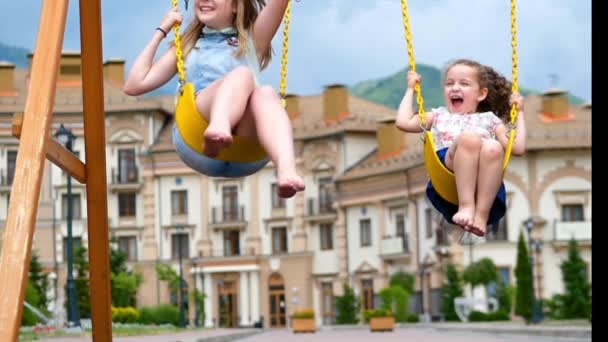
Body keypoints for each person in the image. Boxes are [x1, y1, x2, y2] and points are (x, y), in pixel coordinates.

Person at [123, 0, 304, 198]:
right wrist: (161, 30)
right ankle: (218, 127)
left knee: (267, 94)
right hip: (197, 133)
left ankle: (286, 171)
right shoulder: (186, 45)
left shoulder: (252, 40)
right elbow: (134, 84)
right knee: (242, 75)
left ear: (236, 5)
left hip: (246, 149)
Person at [395, 59, 526, 236]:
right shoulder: (439, 116)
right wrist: (411, 88)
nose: (455, 88)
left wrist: (520, 113)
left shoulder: (490, 120)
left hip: (482, 173)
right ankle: (466, 206)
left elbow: (517, 148)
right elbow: (403, 122)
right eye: (450, 83)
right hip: (448, 165)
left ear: (481, 94)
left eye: (464, 83)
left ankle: (481, 214)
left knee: (494, 147)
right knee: (469, 139)